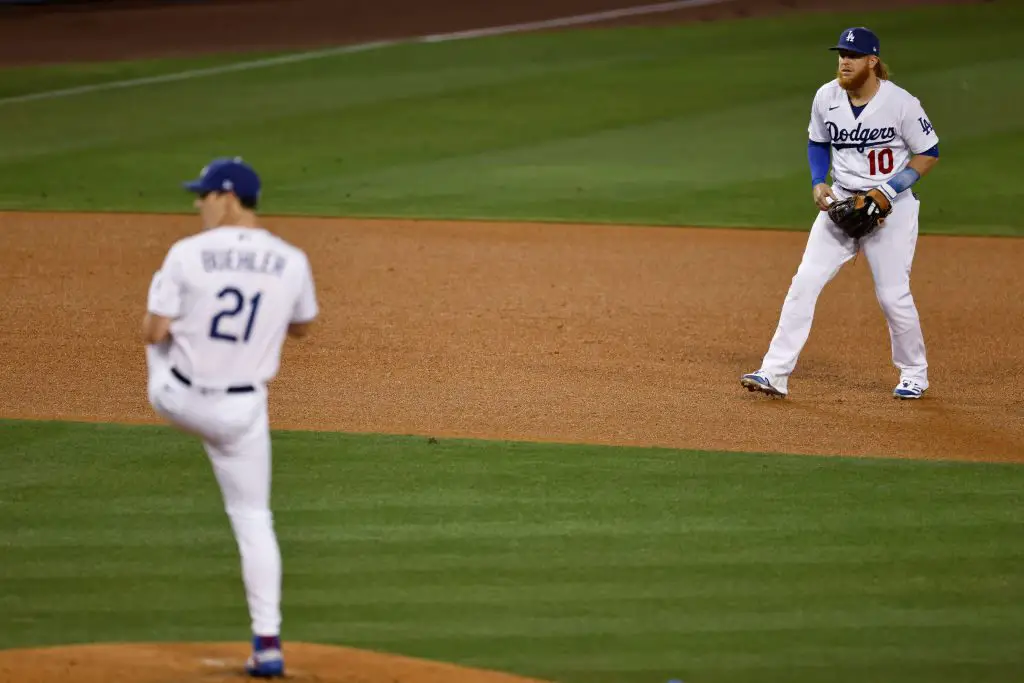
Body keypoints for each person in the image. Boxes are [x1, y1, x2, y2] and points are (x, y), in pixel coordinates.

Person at [142, 157, 319, 677]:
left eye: (203, 194)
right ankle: (268, 645)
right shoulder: (292, 259)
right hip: (243, 412)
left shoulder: (186, 254)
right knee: (254, 520)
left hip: (178, 399)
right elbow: (305, 326)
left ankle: (267, 645)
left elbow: (154, 334)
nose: (198, 203)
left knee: (160, 334)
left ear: (228, 196)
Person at [741, 26, 940, 400]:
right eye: (841, 55)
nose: (844, 62)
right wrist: (819, 181)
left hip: (891, 209)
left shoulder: (902, 104)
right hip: (840, 205)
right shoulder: (826, 96)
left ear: (872, 61)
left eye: (852, 56)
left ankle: (915, 373)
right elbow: (817, 141)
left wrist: (889, 189)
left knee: (892, 295)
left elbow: (928, 152)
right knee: (805, 281)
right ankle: (774, 372)